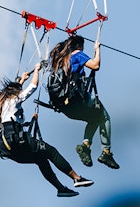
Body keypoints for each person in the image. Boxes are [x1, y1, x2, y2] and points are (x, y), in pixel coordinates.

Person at [0, 62, 94, 197]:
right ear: (14, 93)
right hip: (18, 142)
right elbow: (33, 87)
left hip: (9, 150)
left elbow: (17, 94)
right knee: (51, 152)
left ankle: (61, 189)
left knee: (41, 159)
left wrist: (22, 80)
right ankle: (77, 178)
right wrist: (36, 70)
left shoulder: (2, 107)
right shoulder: (14, 101)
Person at [49, 34, 119, 170]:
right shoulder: (78, 54)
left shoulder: (60, 60)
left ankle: (85, 146)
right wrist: (97, 49)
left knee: (95, 118)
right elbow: (95, 65)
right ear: (78, 46)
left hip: (66, 108)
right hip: (77, 101)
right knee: (104, 116)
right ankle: (106, 152)